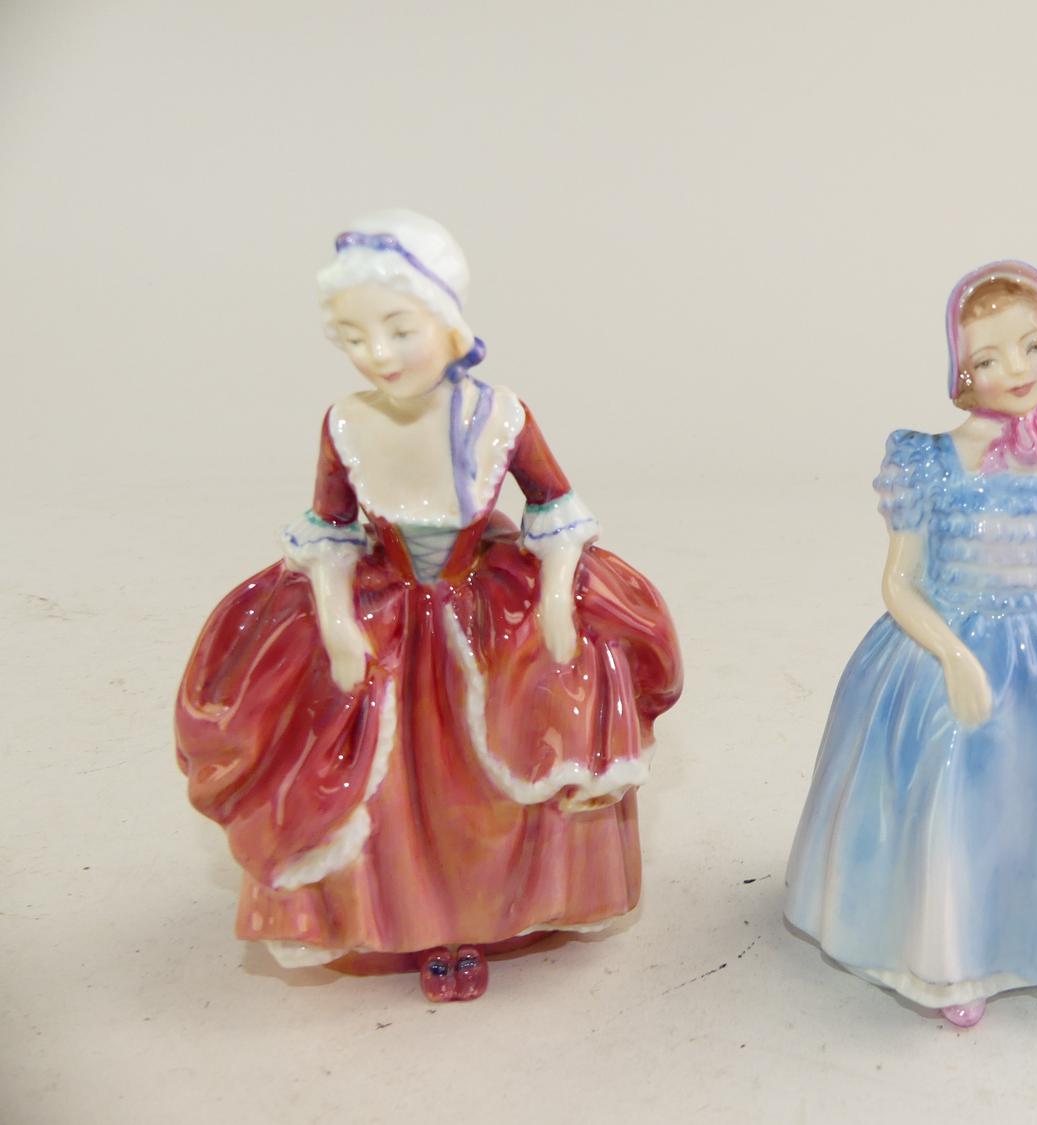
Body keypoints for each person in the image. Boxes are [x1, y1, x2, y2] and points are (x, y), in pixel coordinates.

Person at [176, 211, 682, 1002]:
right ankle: (409, 918)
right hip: (388, 610)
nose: (377, 354)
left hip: (483, 604)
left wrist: (556, 596)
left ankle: (492, 910)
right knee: (395, 780)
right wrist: (335, 621)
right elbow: (330, 529)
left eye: (398, 330)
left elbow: (556, 505)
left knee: (499, 760)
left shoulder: (500, 416)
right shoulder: (347, 423)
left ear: (448, 321)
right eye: (354, 337)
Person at [784, 261, 1037, 1027]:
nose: (1017, 370)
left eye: (1033, 346)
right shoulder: (926, 459)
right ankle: (949, 952)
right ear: (963, 372)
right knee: (953, 789)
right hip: (947, 642)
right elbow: (899, 583)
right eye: (989, 358)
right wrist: (954, 655)